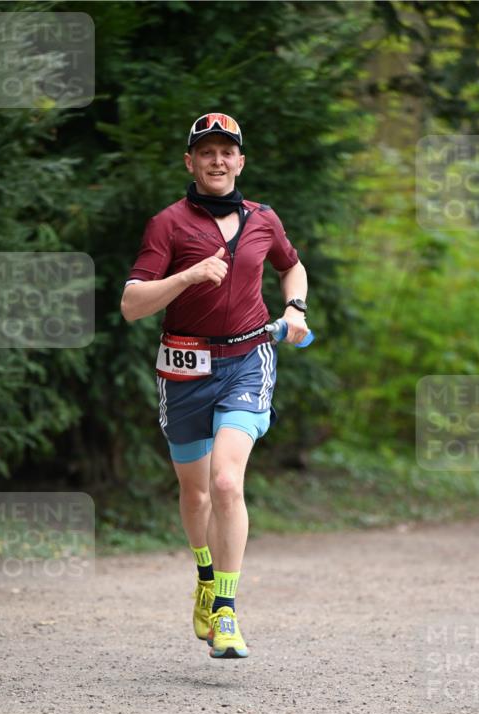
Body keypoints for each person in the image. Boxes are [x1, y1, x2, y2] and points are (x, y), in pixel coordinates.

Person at [121, 112, 309, 659]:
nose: (218, 160)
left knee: (227, 482)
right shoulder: (168, 224)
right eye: (207, 152)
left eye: (228, 151)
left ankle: (226, 611)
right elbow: (132, 304)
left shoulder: (263, 219)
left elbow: (291, 267)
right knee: (196, 490)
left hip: (249, 360)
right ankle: (205, 576)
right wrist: (187, 276)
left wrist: (295, 307)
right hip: (184, 369)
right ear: (191, 162)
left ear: (241, 161)